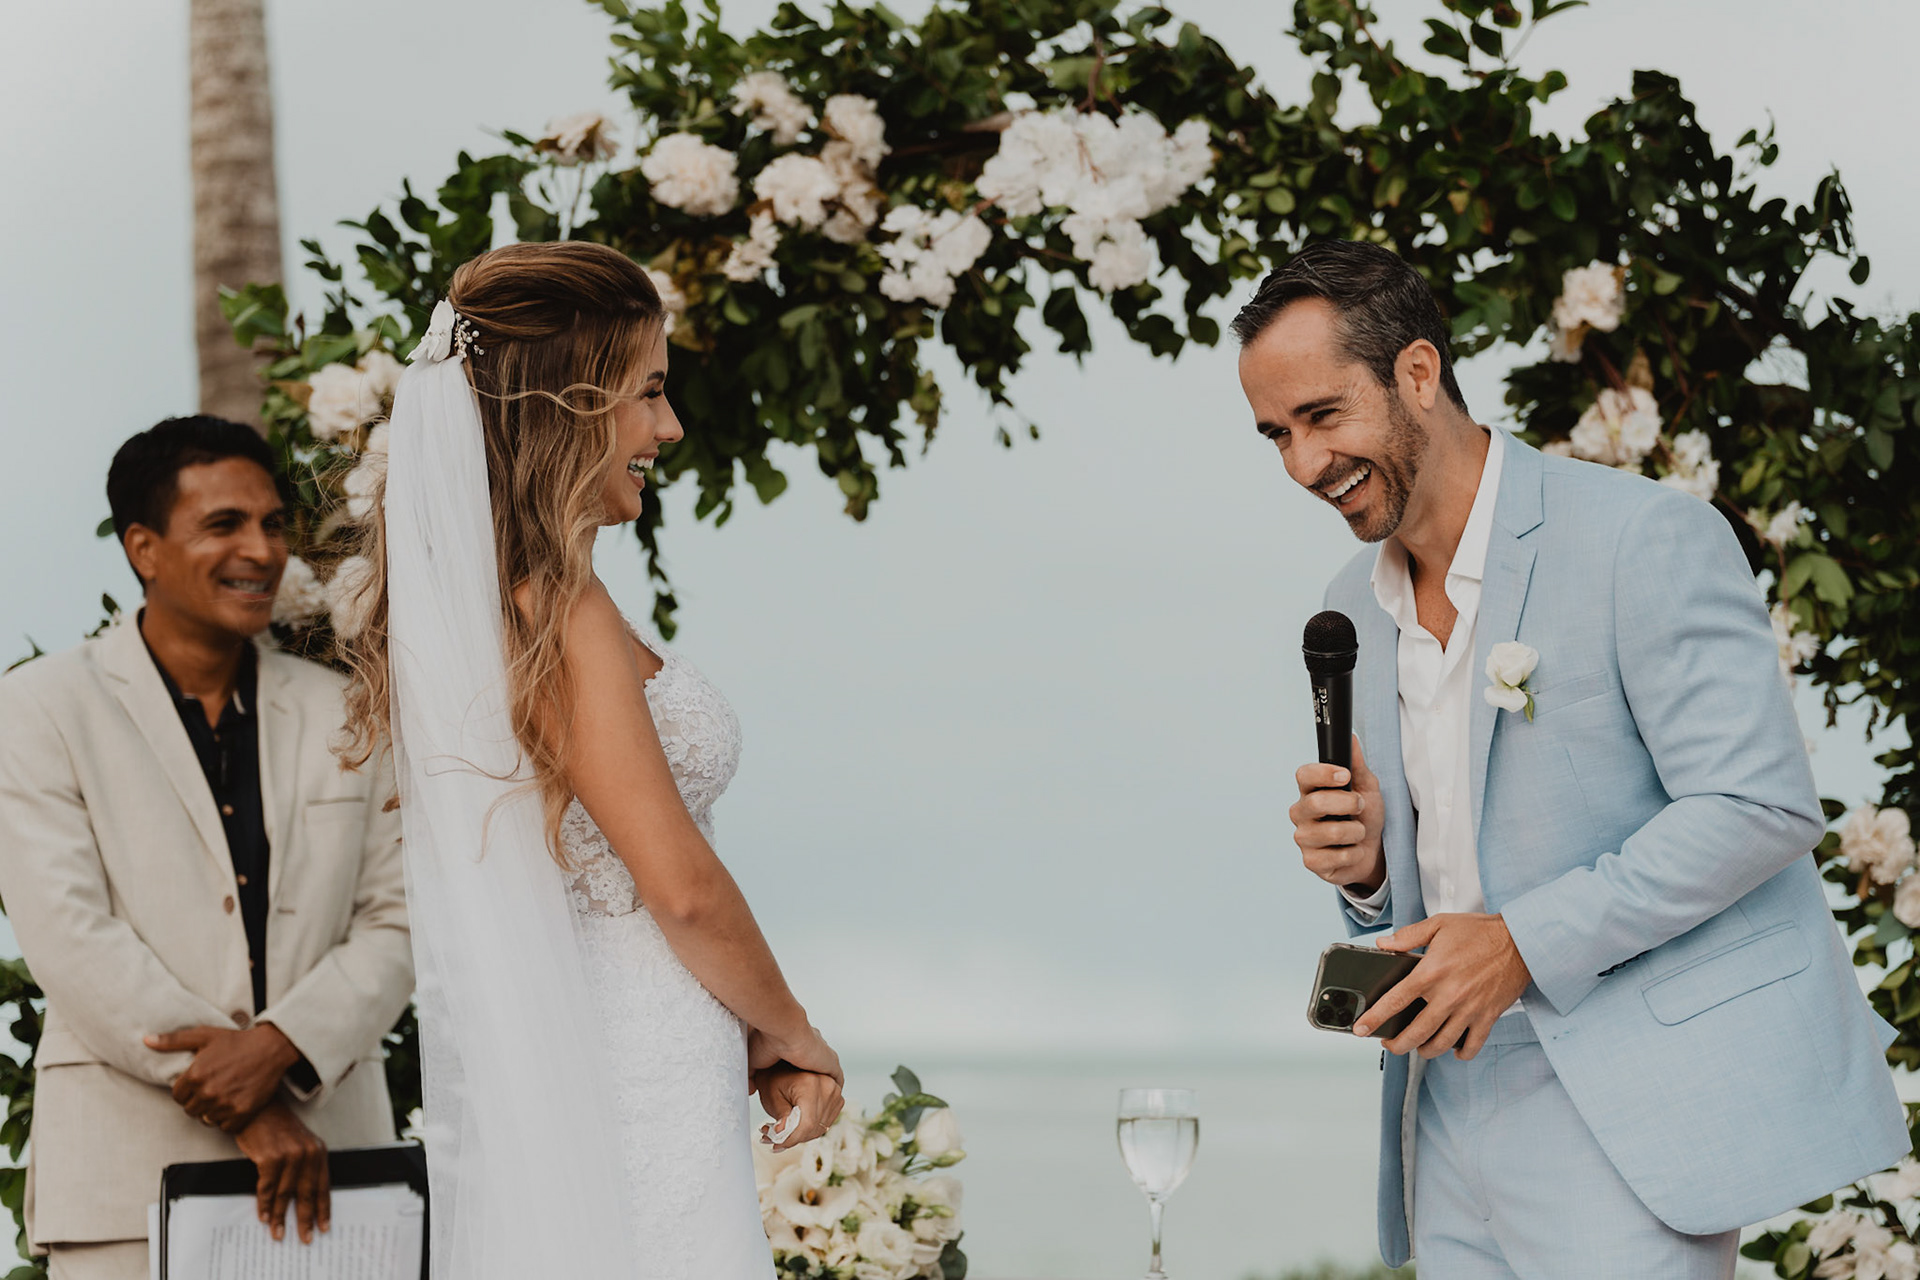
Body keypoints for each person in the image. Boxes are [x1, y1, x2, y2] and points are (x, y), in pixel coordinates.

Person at [1241, 240, 1906, 1278]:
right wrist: (1367, 870)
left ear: (1417, 372)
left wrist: (1521, 944)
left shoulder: (1644, 537)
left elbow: (1757, 803)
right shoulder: (1347, 605)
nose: (1301, 464)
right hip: (1439, 1102)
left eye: (1323, 416)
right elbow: (1433, 882)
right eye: (1277, 434)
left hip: (1622, 1103)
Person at [333, 240, 844, 1278]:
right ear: (565, 407)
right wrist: (793, 1028)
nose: (671, 425)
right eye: (648, 392)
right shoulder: (557, 609)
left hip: (608, 1048)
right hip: (636, 1063)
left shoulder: (501, 606)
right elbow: (681, 885)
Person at [0, 417, 415, 1280]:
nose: (261, 551)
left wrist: (283, 1043)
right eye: (224, 524)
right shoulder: (40, 709)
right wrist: (247, 1105)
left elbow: (400, 917)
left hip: (334, 1174)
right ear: (143, 548)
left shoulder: (347, 710)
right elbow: (71, 935)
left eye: (272, 523)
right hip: (125, 1181)